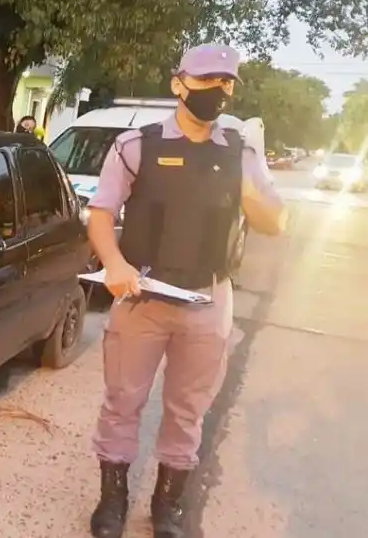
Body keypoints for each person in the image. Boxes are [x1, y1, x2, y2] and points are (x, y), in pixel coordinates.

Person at [86, 43, 287, 538]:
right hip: (142, 296)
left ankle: (166, 504)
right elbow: (101, 212)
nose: (218, 90)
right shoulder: (136, 145)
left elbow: (275, 223)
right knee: (122, 400)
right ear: (179, 84)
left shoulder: (241, 151)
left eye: (226, 82)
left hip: (208, 299)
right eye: (206, 80)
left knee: (187, 408)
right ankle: (112, 500)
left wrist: (245, 183)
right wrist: (113, 263)